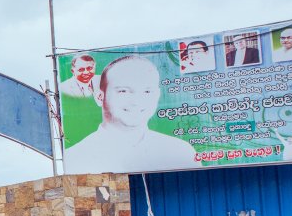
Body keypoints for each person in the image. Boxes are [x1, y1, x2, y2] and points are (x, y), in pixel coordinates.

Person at [63, 55, 196, 175]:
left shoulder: (181, 152)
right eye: (124, 91)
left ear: (157, 95)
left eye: (147, 91)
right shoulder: (75, 157)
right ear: (99, 97)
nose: (137, 101)